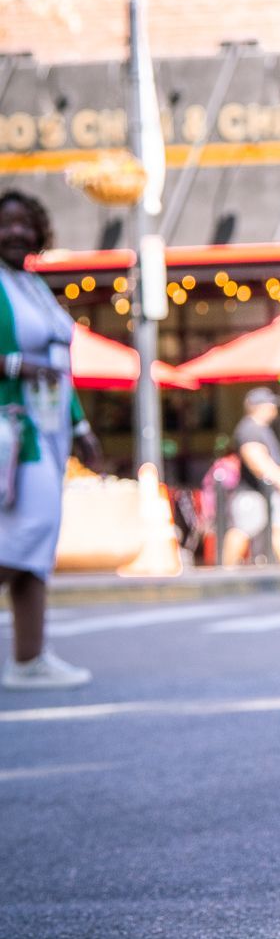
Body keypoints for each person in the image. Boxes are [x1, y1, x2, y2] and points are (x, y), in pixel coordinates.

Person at [0, 190, 102, 690]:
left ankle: (28, 658)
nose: (17, 233)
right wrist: (19, 365)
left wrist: (81, 427)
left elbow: (60, 368)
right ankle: (29, 656)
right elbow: (32, 364)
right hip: (15, 434)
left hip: (50, 430)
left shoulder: (32, 285)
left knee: (35, 546)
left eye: (26, 224)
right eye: (6, 224)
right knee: (24, 537)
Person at [220, 387, 280, 566]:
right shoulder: (250, 429)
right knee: (243, 529)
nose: (274, 409)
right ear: (260, 406)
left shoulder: (259, 429)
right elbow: (256, 460)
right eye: (271, 404)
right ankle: (226, 569)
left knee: (278, 527)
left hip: (265, 490)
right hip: (253, 492)